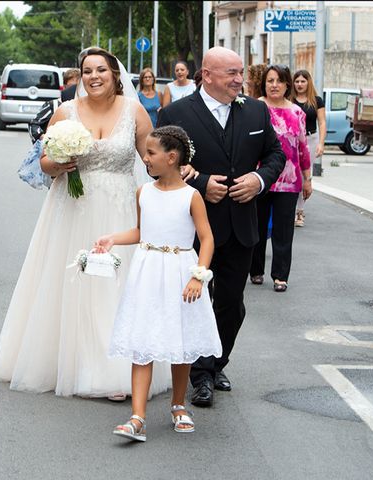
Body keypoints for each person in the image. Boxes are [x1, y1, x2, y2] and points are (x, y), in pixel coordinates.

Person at [0, 47, 172, 399]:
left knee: (113, 285)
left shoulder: (133, 111)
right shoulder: (65, 112)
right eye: (87, 71)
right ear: (81, 76)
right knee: (70, 281)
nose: (93, 76)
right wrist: (59, 164)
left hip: (117, 209)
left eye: (101, 69)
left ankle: (115, 369)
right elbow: (42, 161)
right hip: (72, 208)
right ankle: (64, 362)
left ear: (115, 75)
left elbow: (152, 158)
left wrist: (175, 177)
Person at [157, 46, 286, 407]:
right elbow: (163, 164)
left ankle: (216, 362)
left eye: (240, 72)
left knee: (232, 303)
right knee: (195, 301)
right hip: (194, 230)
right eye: (231, 73)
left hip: (242, 225)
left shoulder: (256, 110)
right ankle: (201, 375)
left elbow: (277, 155)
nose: (238, 80)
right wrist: (200, 184)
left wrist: (259, 180)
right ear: (207, 75)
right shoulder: (176, 114)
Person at [94, 126, 222, 442]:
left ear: (172, 157)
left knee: (181, 342)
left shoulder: (191, 196)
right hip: (147, 271)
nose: (146, 159)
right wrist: (113, 238)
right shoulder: (144, 193)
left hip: (181, 270)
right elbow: (141, 232)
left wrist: (198, 274)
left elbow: (206, 239)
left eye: (151, 154)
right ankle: (137, 416)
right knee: (142, 341)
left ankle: (178, 405)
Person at [250, 65, 312, 292]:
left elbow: (303, 148)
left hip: (290, 179)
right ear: (264, 84)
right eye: (270, 81)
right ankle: (255, 270)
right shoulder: (254, 108)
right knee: (255, 226)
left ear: (287, 85)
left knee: (283, 230)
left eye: (278, 81)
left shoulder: (297, 113)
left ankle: (280, 275)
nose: (274, 85)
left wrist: (307, 178)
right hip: (259, 178)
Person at [291, 69, 325, 227]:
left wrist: (321, 143)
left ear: (308, 82)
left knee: (305, 176)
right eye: (297, 81)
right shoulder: (290, 99)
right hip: (293, 140)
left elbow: (322, 122)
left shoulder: (317, 100)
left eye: (303, 81)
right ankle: (291, 209)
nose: (299, 84)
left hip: (310, 139)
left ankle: (300, 211)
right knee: (294, 174)